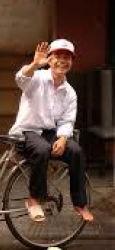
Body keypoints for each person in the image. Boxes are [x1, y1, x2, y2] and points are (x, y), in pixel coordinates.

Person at [9, 39, 94, 222]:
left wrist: (63, 139)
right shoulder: (37, 78)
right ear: (50, 58)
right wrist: (34, 64)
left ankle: (80, 203)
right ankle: (34, 199)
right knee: (42, 149)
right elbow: (20, 79)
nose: (62, 61)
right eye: (58, 56)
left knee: (76, 151)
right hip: (27, 131)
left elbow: (67, 120)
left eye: (67, 58)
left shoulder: (69, 92)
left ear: (71, 62)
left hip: (49, 133)